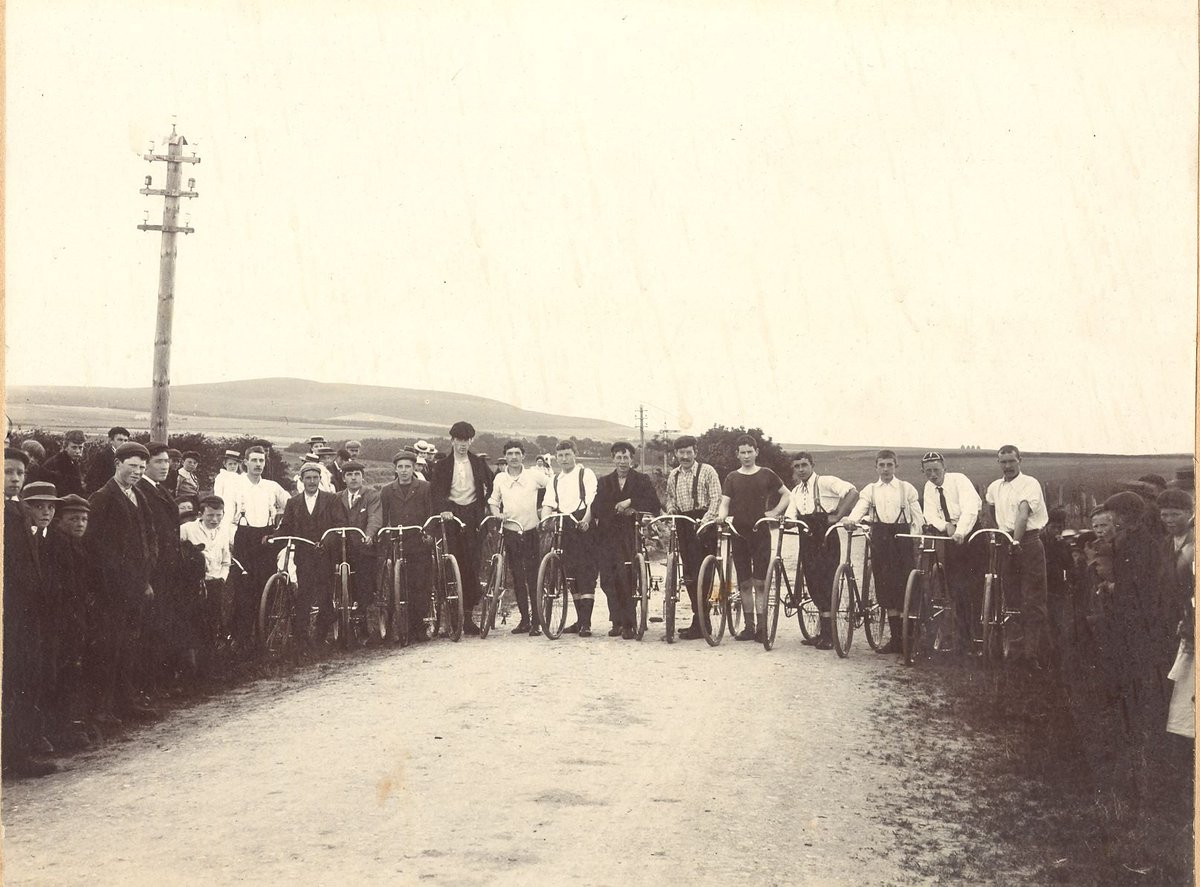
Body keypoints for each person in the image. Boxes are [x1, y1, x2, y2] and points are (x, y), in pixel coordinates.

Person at [87, 441, 158, 723]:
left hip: (137, 588)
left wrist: (146, 578)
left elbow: (149, 538)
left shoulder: (138, 496)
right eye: (132, 467)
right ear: (117, 465)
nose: (138, 472)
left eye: (142, 467)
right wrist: (118, 583)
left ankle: (125, 703)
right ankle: (102, 709)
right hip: (111, 590)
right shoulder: (102, 498)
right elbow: (96, 549)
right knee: (108, 648)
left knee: (129, 646)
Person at [2, 477, 61, 776]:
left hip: (31, 618)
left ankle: (20, 751)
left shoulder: (35, 531)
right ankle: (16, 756)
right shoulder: (13, 523)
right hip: (16, 617)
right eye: (37, 506)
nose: (45, 512)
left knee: (27, 681)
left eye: (49, 507)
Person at [844, 449, 922, 654]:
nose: (886, 469)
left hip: (903, 539)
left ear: (896, 466)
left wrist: (915, 540)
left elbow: (917, 518)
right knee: (885, 587)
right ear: (876, 467)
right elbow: (861, 507)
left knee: (905, 587)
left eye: (890, 465)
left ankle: (908, 638)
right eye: (882, 465)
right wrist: (852, 519)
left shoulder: (907, 489)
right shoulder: (870, 490)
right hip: (880, 538)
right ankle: (896, 639)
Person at [717, 435, 791, 642]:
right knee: (744, 583)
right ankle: (748, 627)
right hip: (739, 534)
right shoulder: (732, 477)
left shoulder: (766, 474)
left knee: (760, 582)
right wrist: (722, 515)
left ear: (756, 452)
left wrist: (775, 512)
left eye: (750, 451)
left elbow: (787, 494)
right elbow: (725, 502)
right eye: (743, 452)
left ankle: (762, 627)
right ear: (737, 454)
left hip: (761, 533)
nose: (747, 456)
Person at [984, 445, 1051, 667]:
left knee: (1032, 598)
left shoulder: (1029, 484)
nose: (1008, 466)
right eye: (1003, 462)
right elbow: (991, 509)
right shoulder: (995, 487)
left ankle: (1032, 654)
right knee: (1009, 597)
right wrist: (1000, 534)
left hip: (1028, 543)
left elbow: (1023, 514)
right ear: (998, 463)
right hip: (1006, 542)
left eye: (1012, 461)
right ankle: (1012, 648)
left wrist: (1016, 541)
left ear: (1019, 460)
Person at [785, 451, 859, 650]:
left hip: (825, 534)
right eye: (797, 466)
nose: (801, 470)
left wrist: (837, 516)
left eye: (804, 465)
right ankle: (821, 632)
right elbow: (792, 514)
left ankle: (829, 634)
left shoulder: (826, 482)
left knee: (827, 581)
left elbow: (852, 492)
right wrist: (787, 522)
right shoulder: (796, 491)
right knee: (813, 581)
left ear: (812, 465)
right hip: (807, 535)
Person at [430, 421, 494, 636]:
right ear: (452, 440)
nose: (463, 444)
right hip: (451, 516)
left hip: (473, 517)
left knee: (471, 566)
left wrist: (485, 506)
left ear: (471, 441)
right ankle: (452, 617)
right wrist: (444, 510)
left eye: (467, 440)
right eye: (459, 440)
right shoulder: (442, 466)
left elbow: (491, 486)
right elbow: (437, 492)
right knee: (451, 565)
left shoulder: (478, 463)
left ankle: (467, 617)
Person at [594, 442, 662, 639]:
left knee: (627, 577)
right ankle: (616, 620)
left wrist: (630, 502)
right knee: (607, 579)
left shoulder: (641, 480)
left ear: (632, 460)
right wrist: (613, 510)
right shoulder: (605, 481)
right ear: (613, 459)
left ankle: (629, 623)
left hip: (630, 534)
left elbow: (653, 503)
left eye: (626, 458)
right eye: (619, 457)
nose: (622, 462)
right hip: (608, 534)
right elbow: (598, 506)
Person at [277, 462, 349, 645]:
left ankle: (321, 633)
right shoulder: (293, 503)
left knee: (325, 593)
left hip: (325, 554)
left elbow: (339, 525)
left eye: (315, 478)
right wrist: (273, 536)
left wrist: (326, 542)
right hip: (304, 554)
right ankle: (302, 637)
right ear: (301, 480)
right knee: (305, 593)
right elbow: (286, 526)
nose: (312, 481)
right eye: (308, 478)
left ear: (319, 479)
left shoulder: (331, 499)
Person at [226, 446, 290, 654]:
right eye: (253, 460)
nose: (258, 465)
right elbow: (227, 516)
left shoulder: (271, 486)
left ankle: (265, 635)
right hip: (243, 538)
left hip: (266, 539)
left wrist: (280, 529)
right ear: (245, 462)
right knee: (244, 589)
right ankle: (241, 638)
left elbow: (291, 504)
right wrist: (229, 542)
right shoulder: (235, 485)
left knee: (266, 587)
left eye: (261, 461)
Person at [45, 493, 96, 750]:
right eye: (73, 518)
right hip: (62, 619)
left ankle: (71, 725)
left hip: (75, 617)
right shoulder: (57, 544)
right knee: (64, 672)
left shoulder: (76, 545)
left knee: (73, 671)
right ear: (60, 520)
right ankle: (62, 730)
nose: (80, 524)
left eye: (84, 519)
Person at [919, 452, 981, 653]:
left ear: (944, 467)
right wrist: (946, 526)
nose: (933, 475)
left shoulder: (959, 481)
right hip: (951, 536)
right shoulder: (929, 487)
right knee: (956, 588)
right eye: (928, 471)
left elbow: (970, 509)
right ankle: (962, 640)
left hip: (971, 534)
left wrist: (961, 531)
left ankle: (980, 635)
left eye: (936, 470)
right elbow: (929, 513)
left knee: (975, 587)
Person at [138, 443, 187, 690]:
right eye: (158, 461)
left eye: (167, 461)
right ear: (145, 464)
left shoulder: (161, 490)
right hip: (155, 571)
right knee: (153, 626)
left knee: (166, 624)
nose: (165, 466)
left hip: (169, 570)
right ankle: (152, 683)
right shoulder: (141, 490)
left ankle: (163, 679)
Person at [664, 435, 722, 641]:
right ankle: (699, 620)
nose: (685, 456)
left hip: (703, 523)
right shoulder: (673, 475)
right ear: (676, 454)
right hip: (683, 522)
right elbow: (670, 497)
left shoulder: (707, 471)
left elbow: (716, 498)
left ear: (695, 452)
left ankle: (702, 622)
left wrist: (705, 521)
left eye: (689, 452)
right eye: (681, 453)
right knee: (688, 572)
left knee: (703, 573)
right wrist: (671, 511)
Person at [488, 440, 548, 635]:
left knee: (533, 576)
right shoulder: (500, 479)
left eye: (517, 453)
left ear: (523, 455)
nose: (513, 457)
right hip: (510, 532)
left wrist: (544, 509)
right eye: (510, 453)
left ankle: (537, 622)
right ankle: (524, 619)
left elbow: (554, 486)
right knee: (517, 577)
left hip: (531, 531)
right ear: (505, 456)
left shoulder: (534, 476)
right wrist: (497, 513)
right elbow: (493, 501)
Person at [540, 439, 600, 636]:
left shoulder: (585, 473)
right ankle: (579, 621)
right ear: (556, 458)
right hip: (564, 525)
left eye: (567, 455)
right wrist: (545, 520)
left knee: (586, 572)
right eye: (560, 456)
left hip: (583, 523)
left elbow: (592, 500)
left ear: (575, 455)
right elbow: (548, 503)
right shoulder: (555, 479)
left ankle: (586, 623)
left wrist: (586, 520)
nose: (564, 459)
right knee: (570, 573)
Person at [379, 449, 434, 639]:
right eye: (400, 467)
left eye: (407, 467)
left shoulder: (425, 487)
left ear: (413, 469)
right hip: (397, 542)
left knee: (420, 584)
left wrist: (429, 534)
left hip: (418, 542)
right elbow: (383, 517)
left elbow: (431, 515)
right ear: (395, 469)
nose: (404, 471)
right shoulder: (387, 490)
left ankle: (418, 626)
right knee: (398, 584)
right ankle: (399, 626)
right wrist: (385, 535)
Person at [180, 495, 233, 672]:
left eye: (219, 515)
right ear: (200, 514)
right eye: (210, 515)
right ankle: (191, 669)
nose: (214, 519)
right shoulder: (187, 529)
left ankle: (209, 668)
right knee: (194, 625)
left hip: (215, 585)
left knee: (213, 624)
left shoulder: (223, 532)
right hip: (193, 586)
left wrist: (222, 578)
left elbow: (226, 561)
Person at [338, 461, 382, 612]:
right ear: (344, 478)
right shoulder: (337, 497)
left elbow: (375, 518)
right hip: (343, 548)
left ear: (362, 477)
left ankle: (365, 615)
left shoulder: (371, 495)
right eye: (349, 475)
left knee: (364, 581)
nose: (353, 478)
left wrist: (369, 535)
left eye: (357, 474)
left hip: (364, 547)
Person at [41, 429, 86, 498]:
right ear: (65, 447)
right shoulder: (59, 462)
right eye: (74, 447)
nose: (77, 451)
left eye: (80, 447)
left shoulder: (72, 460)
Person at [85, 426, 130, 493]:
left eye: (125, 440)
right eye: (120, 440)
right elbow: (92, 480)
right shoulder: (102, 456)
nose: (123, 443)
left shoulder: (129, 457)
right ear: (111, 441)